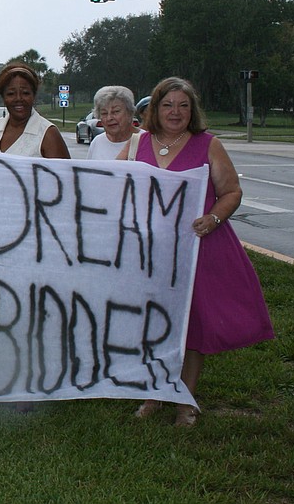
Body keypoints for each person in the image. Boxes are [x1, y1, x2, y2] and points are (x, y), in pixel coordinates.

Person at [117, 77, 274, 427]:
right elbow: (108, 184)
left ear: (193, 110)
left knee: (192, 327)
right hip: (149, 254)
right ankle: (154, 393)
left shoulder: (208, 144)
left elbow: (231, 191)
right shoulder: (137, 143)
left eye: (183, 105)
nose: (175, 112)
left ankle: (184, 400)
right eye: (168, 105)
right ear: (155, 108)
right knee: (154, 323)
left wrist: (214, 217)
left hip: (197, 250)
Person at [0, 62, 70, 158]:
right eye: (11, 94)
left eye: (25, 93)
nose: (18, 98)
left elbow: (63, 168)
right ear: (3, 97)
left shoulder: (48, 133)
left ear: (34, 95)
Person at [85, 85, 140, 160]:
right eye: (104, 113)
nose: (109, 118)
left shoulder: (147, 141)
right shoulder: (97, 142)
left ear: (130, 113)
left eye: (116, 111)